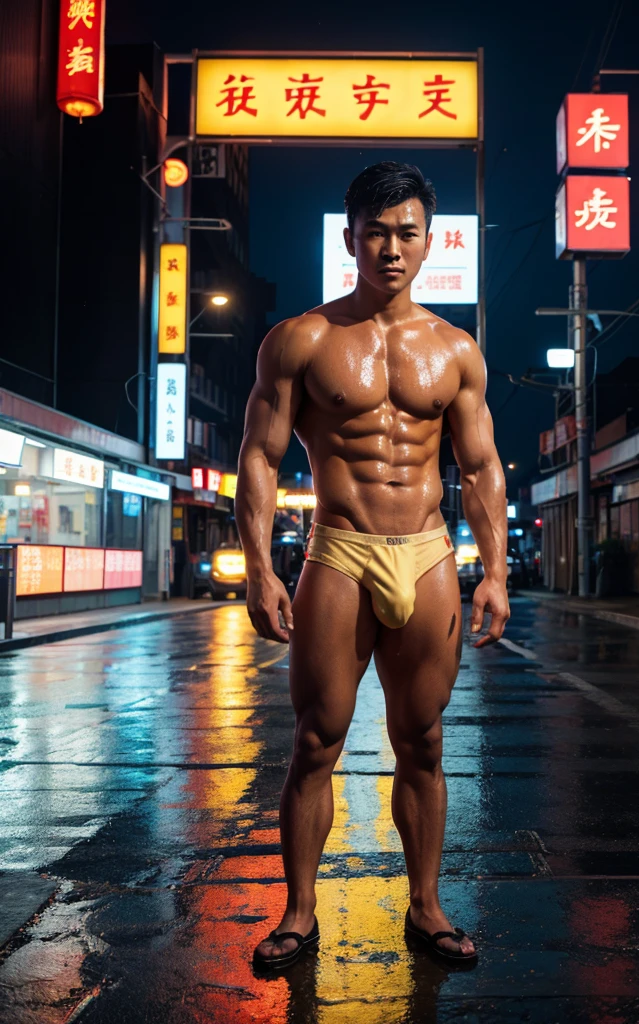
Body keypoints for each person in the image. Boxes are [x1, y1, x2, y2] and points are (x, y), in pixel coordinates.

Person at [236, 161, 510, 969]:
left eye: (408, 232)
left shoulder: (456, 351)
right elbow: (258, 456)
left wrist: (492, 572)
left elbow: (482, 466)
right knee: (316, 740)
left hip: (426, 553)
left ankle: (425, 908)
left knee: (421, 740)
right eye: (376, 232)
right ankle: (299, 913)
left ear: (431, 241)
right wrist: (258, 567)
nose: (392, 248)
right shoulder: (302, 340)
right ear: (351, 237)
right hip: (340, 549)